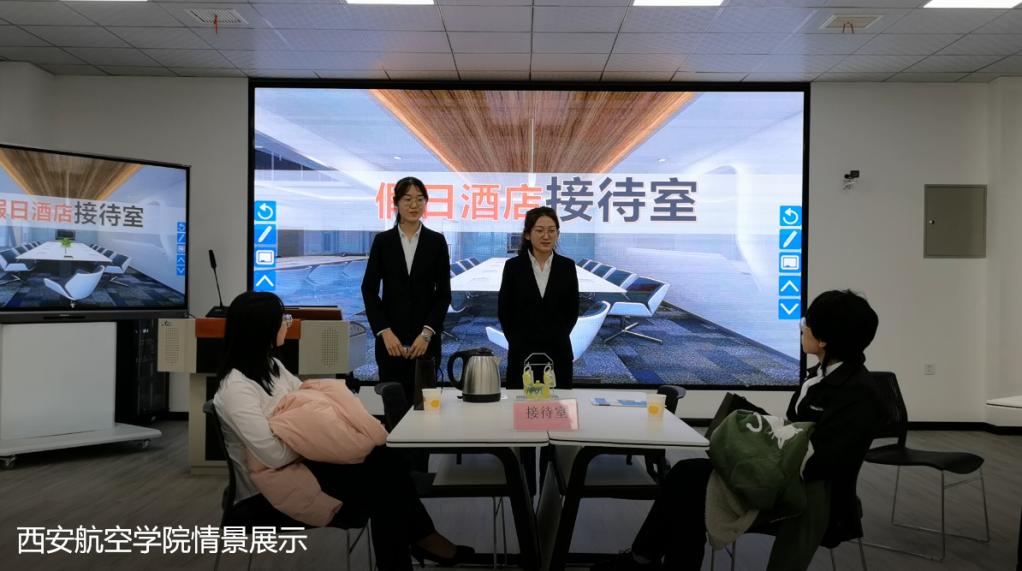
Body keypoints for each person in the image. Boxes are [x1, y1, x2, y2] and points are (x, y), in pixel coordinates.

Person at [596, 289, 885, 570]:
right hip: (782, 474)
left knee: (689, 491)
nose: (801, 327)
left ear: (823, 339)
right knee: (685, 476)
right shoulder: (820, 377)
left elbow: (822, 461)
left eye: (806, 322)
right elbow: (796, 433)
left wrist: (753, 455)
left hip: (803, 492)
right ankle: (641, 559)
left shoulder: (858, 393)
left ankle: (641, 559)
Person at [213, 292, 472, 570]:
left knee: (383, 466)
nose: (288, 323)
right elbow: (274, 456)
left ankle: (419, 544)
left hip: (306, 465)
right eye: (283, 319)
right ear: (262, 329)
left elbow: (308, 404)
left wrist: (319, 436)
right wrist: (319, 440)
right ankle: (424, 539)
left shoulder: (272, 367)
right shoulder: (235, 390)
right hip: (269, 488)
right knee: (385, 481)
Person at [361, 176, 452, 404]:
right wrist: (385, 332)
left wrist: (426, 334)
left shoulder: (436, 241)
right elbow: (369, 290)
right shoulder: (383, 241)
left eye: (420, 199)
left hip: (426, 344)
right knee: (394, 409)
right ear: (396, 203)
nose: (414, 205)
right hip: (391, 344)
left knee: (425, 409)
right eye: (407, 199)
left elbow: (443, 295)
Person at [498, 206, 580, 390]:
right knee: (521, 405)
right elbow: (505, 311)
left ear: (558, 234)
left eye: (552, 231)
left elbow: (572, 311)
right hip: (522, 353)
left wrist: (555, 336)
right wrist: (517, 342)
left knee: (559, 405)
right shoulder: (513, 267)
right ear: (527, 234)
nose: (546, 236)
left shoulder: (567, 266)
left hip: (558, 351)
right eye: (540, 230)